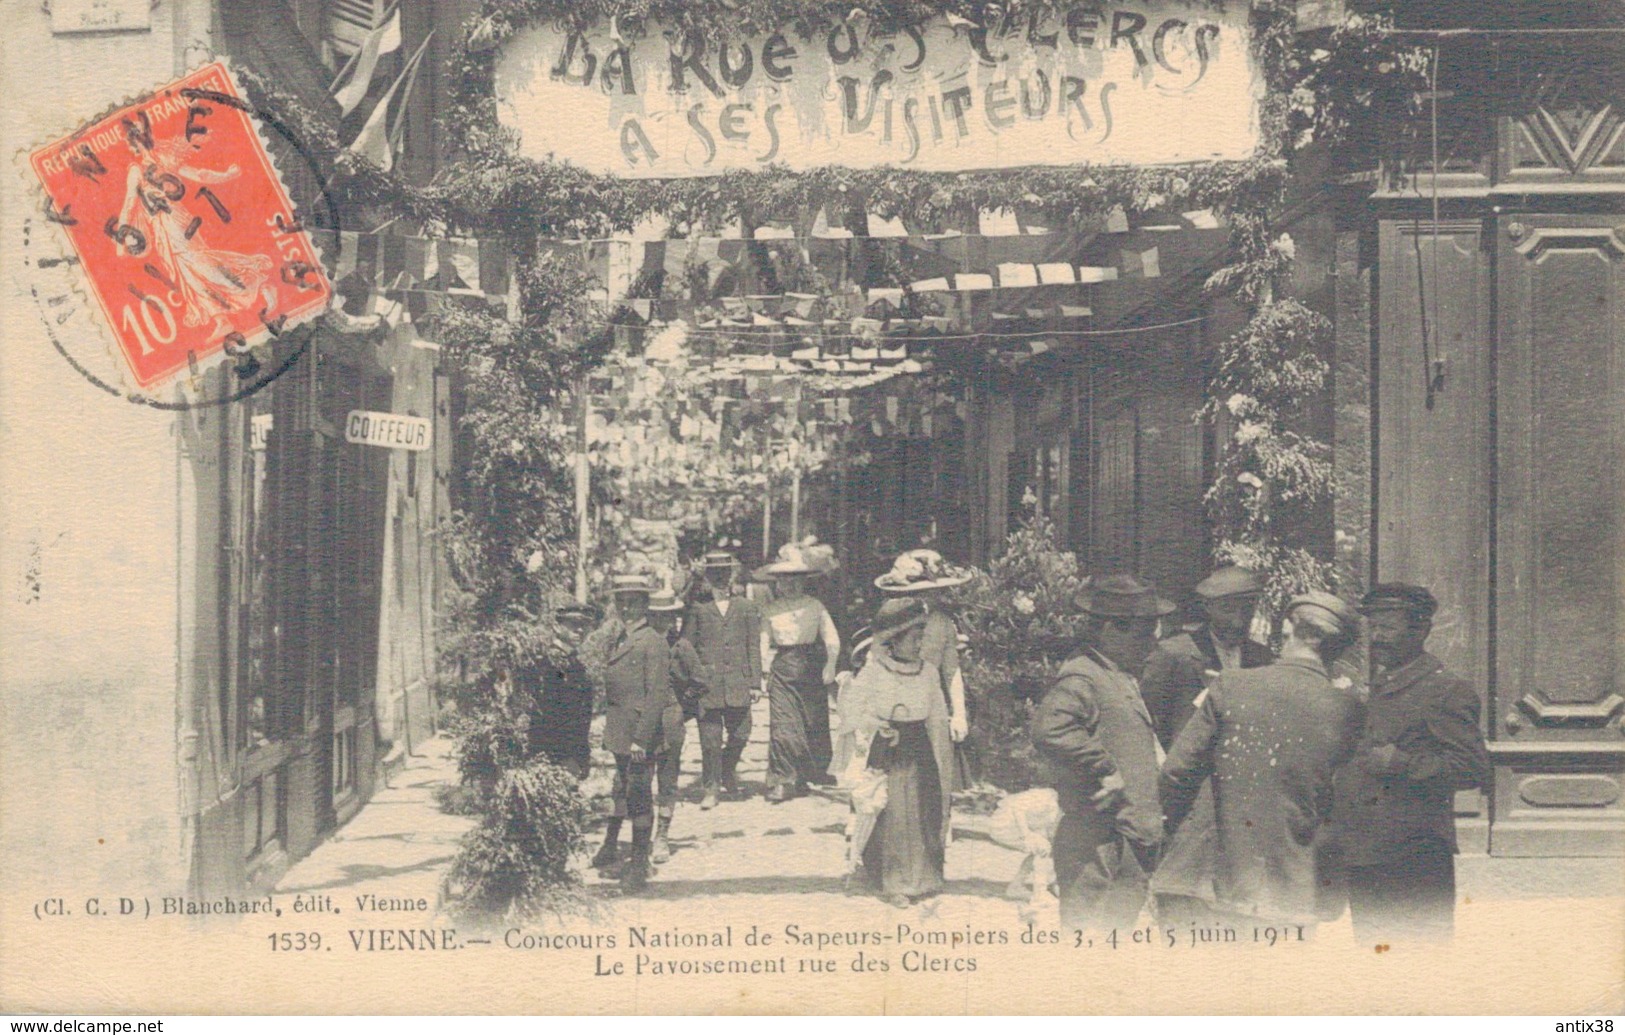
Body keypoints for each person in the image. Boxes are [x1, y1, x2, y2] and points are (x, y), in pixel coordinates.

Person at [1159, 592, 1366, 929]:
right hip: (1293, 892)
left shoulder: (1231, 685)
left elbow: (1175, 772)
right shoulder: (1349, 711)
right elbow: (1349, 804)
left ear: (1286, 628)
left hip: (1207, 881)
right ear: (1339, 649)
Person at [1336, 583, 1491, 944]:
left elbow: (1472, 767)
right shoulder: (1379, 683)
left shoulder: (1446, 690)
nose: (1377, 638)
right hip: (1369, 849)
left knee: (1420, 959)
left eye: (1387, 628)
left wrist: (1402, 764)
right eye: (1372, 628)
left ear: (1421, 630)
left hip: (1415, 854)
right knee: (1376, 957)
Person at [1031, 574, 1171, 932]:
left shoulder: (1115, 673)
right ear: (1110, 629)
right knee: (1090, 942)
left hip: (1125, 833)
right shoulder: (1083, 677)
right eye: (1142, 633)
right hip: (1099, 840)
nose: (1151, 643)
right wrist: (1104, 767)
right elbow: (1051, 727)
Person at [1141, 565, 1275, 925]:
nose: (1240, 618)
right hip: (1187, 789)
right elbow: (1147, 719)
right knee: (1183, 889)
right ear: (1209, 609)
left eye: (1247, 609)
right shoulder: (1175, 655)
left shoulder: (1264, 661)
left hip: (1242, 794)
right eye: (1230, 609)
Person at [834, 598, 955, 907]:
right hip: (889, 749)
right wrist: (877, 725)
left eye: (922, 637)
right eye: (914, 638)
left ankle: (924, 877)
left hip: (920, 747)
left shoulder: (927, 672)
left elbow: (938, 715)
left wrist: (942, 757)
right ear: (894, 640)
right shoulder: (875, 671)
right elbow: (851, 708)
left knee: (923, 810)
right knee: (894, 815)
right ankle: (893, 881)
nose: (920, 644)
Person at [589, 573, 673, 892]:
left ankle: (639, 864)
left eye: (633, 602)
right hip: (621, 734)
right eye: (621, 602)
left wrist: (641, 737)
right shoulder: (621, 638)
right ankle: (621, 852)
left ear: (644, 604)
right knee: (623, 793)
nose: (626, 608)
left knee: (638, 798)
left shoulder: (652, 641)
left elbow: (656, 694)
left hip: (640, 737)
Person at [873, 550, 974, 783]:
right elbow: (874, 664)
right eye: (916, 594)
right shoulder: (889, 620)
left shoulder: (942, 623)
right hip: (895, 704)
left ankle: (935, 819)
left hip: (932, 706)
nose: (924, 601)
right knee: (893, 778)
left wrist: (959, 714)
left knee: (935, 776)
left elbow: (951, 670)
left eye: (929, 594)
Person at [755, 540, 841, 803]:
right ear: (777, 582)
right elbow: (762, 642)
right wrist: (762, 673)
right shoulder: (771, 609)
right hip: (783, 669)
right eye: (784, 580)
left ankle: (807, 773)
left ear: (804, 581)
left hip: (810, 666)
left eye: (795, 579)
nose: (790, 585)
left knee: (811, 722)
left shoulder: (814, 606)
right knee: (783, 726)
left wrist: (830, 666)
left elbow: (832, 639)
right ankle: (782, 780)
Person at [682, 551, 762, 809]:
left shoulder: (747, 608)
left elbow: (753, 646)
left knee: (741, 732)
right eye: (715, 573)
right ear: (707, 576)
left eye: (724, 572)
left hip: (738, 683)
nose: (720, 577)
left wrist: (754, 683)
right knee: (710, 741)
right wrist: (695, 679)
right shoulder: (698, 608)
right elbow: (687, 646)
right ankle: (711, 788)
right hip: (709, 686)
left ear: (732, 575)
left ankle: (727, 770)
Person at [647, 590, 707, 865]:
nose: (663, 623)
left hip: (670, 721)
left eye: (668, 617)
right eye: (657, 617)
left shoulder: (681, 647)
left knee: (667, 781)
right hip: (642, 723)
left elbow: (700, 681)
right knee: (636, 780)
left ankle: (662, 836)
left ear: (674, 619)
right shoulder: (640, 644)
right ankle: (629, 837)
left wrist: (681, 708)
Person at [526, 602, 605, 780]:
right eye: (573, 625)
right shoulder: (547, 663)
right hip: (554, 756)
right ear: (556, 627)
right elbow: (550, 717)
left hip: (569, 756)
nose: (580, 630)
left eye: (584, 625)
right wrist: (567, 758)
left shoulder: (574, 663)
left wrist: (581, 756)